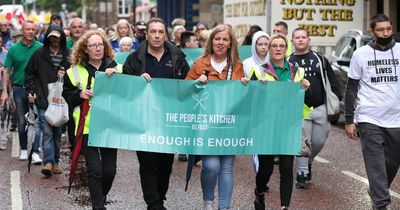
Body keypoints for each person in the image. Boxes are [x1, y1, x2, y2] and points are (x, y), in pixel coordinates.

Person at [123, 17, 190, 210]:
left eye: (161, 32)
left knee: (165, 166)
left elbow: (188, 83)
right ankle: (153, 204)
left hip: (169, 122)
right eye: (153, 31)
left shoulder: (177, 58)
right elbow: (125, 85)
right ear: (147, 34)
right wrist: (137, 79)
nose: (157, 35)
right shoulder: (135, 58)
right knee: (147, 163)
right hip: (143, 121)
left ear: (166, 35)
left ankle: (159, 198)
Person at [185, 24, 247, 210]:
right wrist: (195, 84)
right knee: (211, 166)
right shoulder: (199, 63)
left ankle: (224, 207)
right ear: (211, 42)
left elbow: (243, 98)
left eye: (225, 39)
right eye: (217, 39)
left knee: (227, 168)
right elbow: (185, 92)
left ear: (230, 44)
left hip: (229, 125)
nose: (220, 43)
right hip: (207, 126)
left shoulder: (238, 66)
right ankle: (208, 201)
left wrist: (245, 84)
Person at [344, 14, 400, 210]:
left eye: (388, 29)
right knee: (375, 162)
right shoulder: (361, 54)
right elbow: (351, 88)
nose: (385, 33)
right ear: (372, 31)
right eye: (380, 30)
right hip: (369, 117)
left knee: (392, 164)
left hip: (396, 118)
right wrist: (350, 119)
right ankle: (382, 204)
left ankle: (377, 189)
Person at [63, 31, 121, 209]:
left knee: (109, 171)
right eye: (93, 45)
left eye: (100, 45)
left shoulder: (118, 68)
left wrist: (120, 78)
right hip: (86, 126)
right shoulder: (73, 71)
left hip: (109, 126)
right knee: (94, 170)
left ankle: (100, 195)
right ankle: (98, 206)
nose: (98, 48)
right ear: (85, 50)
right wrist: (79, 94)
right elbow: (67, 94)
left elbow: (129, 92)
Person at [252, 33, 310, 210]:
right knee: (266, 168)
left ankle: (285, 206)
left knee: (286, 168)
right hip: (267, 127)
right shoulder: (260, 70)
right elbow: (252, 100)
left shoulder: (297, 71)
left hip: (288, 126)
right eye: (274, 46)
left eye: (281, 46)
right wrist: (256, 87)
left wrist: (305, 88)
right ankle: (259, 193)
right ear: (268, 49)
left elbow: (304, 99)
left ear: (286, 49)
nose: (278, 49)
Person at [288, 27, 342, 188]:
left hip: (320, 107)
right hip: (299, 109)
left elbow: (330, 78)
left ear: (308, 40)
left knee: (319, 140)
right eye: (297, 37)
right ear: (292, 41)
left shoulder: (319, 58)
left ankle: (309, 160)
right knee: (304, 142)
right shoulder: (289, 61)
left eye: (303, 37)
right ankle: (302, 174)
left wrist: (337, 96)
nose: (300, 40)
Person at [25, 24, 71, 176]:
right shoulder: (39, 53)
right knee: (47, 132)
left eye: (57, 37)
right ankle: (49, 162)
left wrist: (67, 74)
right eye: (52, 37)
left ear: (62, 38)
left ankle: (56, 161)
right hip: (44, 98)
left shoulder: (68, 55)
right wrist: (32, 90)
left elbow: (76, 76)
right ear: (48, 38)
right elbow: (29, 73)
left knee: (57, 132)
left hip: (61, 100)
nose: (54, 40)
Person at [1, 20, 42, 161]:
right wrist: (5, 91)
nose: (30, 32)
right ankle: (24, 149)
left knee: (37, 121)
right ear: (22, 31)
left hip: (37, 90)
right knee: (22, 121)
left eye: (33, 29)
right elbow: (7, 70)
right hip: (19, 89)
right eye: (28, 29)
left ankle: (35, 151)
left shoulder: (41, 48)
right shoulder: (13, 49)